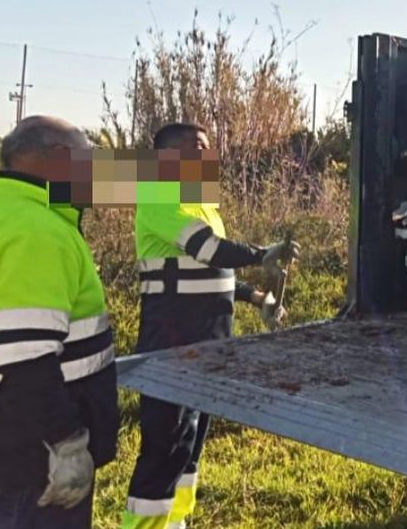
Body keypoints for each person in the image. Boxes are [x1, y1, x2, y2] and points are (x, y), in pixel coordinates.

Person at [0, 116, 120, 528]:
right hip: (34, 471)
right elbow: (27, 359)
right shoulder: (37, 233)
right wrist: (68, 444)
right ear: (59, 160)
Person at [123, 122, 299, 529]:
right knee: (164, 447)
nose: (206, 156)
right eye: (196, 148)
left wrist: (257, 298)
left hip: (207, 345)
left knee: (189, 444)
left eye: (207, 148)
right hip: (171, 343)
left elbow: (214, 271)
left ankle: (176, 522)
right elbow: (210, 249)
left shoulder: (202, 206)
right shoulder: (159, 195)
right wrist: (262, 253)